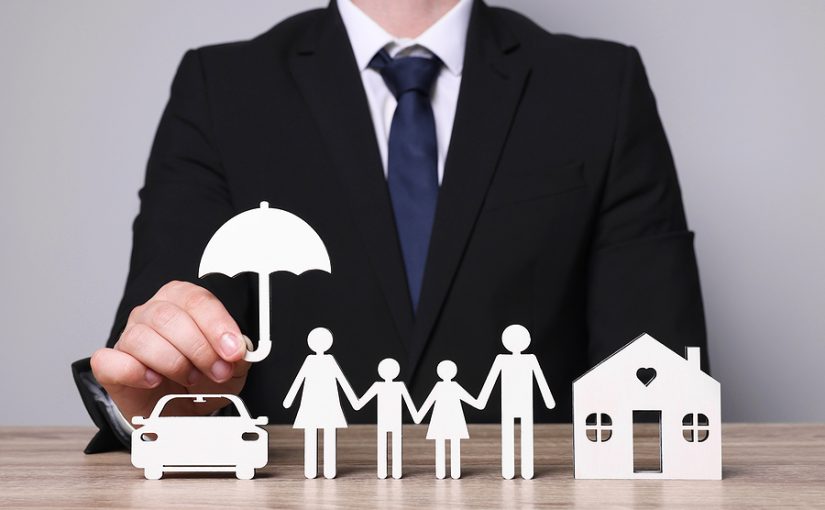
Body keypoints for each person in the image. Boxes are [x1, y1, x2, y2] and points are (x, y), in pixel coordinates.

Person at [74, 0, 708, 453]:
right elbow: (160, 336)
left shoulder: (599, 86)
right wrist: (150, 401)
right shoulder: (220, 87)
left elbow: (654, 371)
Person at [477, 324, 555, 480]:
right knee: (508, 435)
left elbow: (540, 379)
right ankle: (509, 469)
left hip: (525, 403)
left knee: (526, 434)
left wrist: (548, 399)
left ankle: (527, 469)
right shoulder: (502, 360)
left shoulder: (530, 359)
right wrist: (482, 399)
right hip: (509, 403)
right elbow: (491, 380)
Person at [282, 327, 359, 479]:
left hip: (328, 404)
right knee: (312, 434)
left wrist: (353, 398)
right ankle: (311, 469)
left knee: (326, 433)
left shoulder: (329, 361)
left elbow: (341, 380)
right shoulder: (310, 361)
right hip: (312, 404)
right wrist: (290, 398)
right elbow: (299, 380)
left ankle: (328, 469)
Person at [413, 360, 482, 479]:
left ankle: (445, 473)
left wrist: (418, 416)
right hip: (450, 420)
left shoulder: (443, 387)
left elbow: (428, 403)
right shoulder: (450, 387)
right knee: (449, 444)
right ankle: (450, 473)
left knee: (445, 444)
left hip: (444, 420)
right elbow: (474, 402)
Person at [354, 358, 419, 479]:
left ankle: (389, 472)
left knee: (386, 444)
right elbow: (410, 404)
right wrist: (417, 416)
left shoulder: (388, 386)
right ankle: (391, 472)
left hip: (389, 422)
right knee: (392, 444)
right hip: (390, 421)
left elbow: (359, 403)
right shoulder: (396, 386)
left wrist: (354, 401)